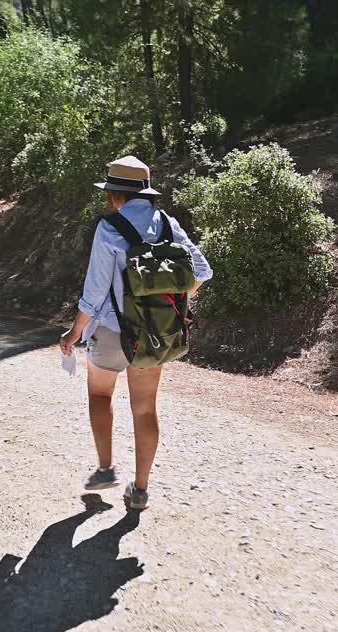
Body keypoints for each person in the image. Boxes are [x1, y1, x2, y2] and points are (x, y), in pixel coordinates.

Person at [59, 156, 212, 510]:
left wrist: (73, 333)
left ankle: (105, 469)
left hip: (112, 331)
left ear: (115, 194)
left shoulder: (109, 227)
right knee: (144, 409)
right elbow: (202, 271)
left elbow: (95, 291)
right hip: (155, 336)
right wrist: (170, 300)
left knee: (100, 396)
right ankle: (140, 491)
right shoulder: (169, 226)